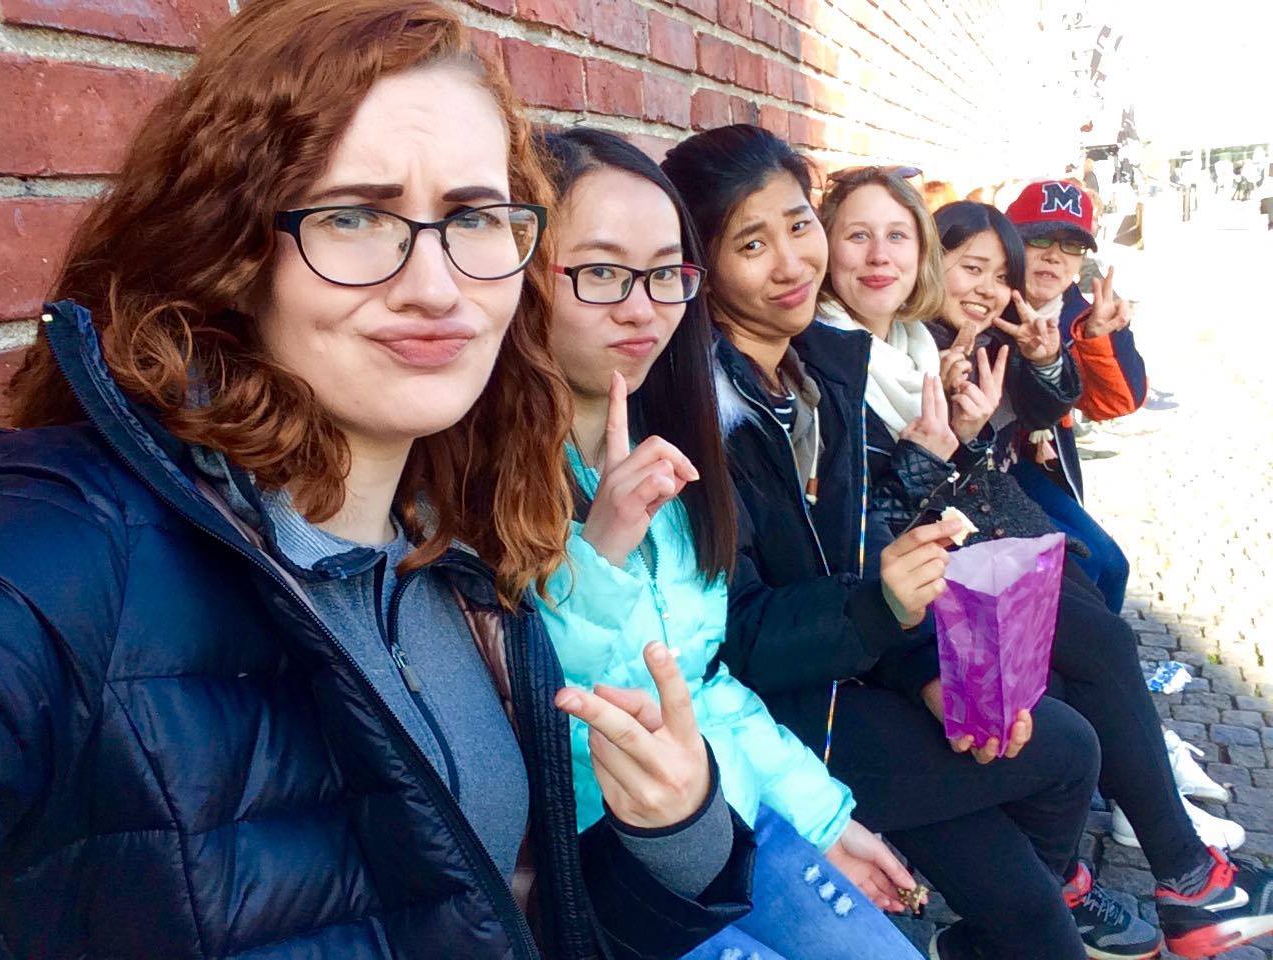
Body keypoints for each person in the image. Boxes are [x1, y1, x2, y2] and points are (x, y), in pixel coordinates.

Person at [0, 4, 757, 958]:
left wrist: (672, 837)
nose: (435, 287)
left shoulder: (467, 559)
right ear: (230, 245)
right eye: (354, 215)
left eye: (473, 218)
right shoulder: (62, 553)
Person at [663, 125, 1109, 960]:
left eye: (799, 225)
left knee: (1035, 900)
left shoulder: (821, 370)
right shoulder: (697, 417)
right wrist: (884, 605)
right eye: (751, 244)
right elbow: (738, 632)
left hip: (863, 674)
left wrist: (927, 673)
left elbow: (859, 551)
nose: (792, 262)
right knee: (1067, 749)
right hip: (793, 723)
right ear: (700, 266)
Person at [813, 164, 1273, 960]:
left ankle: (1157, 868)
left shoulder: (918, 344)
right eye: (858, 236)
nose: (881, 256)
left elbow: (1083, 400)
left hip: (963, 551)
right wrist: (949, 450)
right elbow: (855, 538)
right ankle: (1169, 874)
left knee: (1092, 613)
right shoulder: (842, 362)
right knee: (1085, 656)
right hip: (893, 618)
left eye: (896, 238)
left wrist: (1063, 353)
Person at [533, 126, 924, 960]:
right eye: (601, 272)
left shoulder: (676, 446)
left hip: (733, 802)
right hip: (612, 865)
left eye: (663, 274)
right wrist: (599, 553)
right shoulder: (487, 479)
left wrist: (823, 818)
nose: (642, 307)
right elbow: (555, 709)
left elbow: (703, 678)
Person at [1002, 179, 1146, 613]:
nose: (1055, 255)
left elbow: (1116, 403)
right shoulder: (981, 298)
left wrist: (1098, 339)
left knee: (1110, 566)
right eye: (1039, 238)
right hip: (983, 465)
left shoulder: (1079, 318)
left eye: (1072, 245)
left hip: (1030, 465)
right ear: (1010, 242)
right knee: (1089, 566)